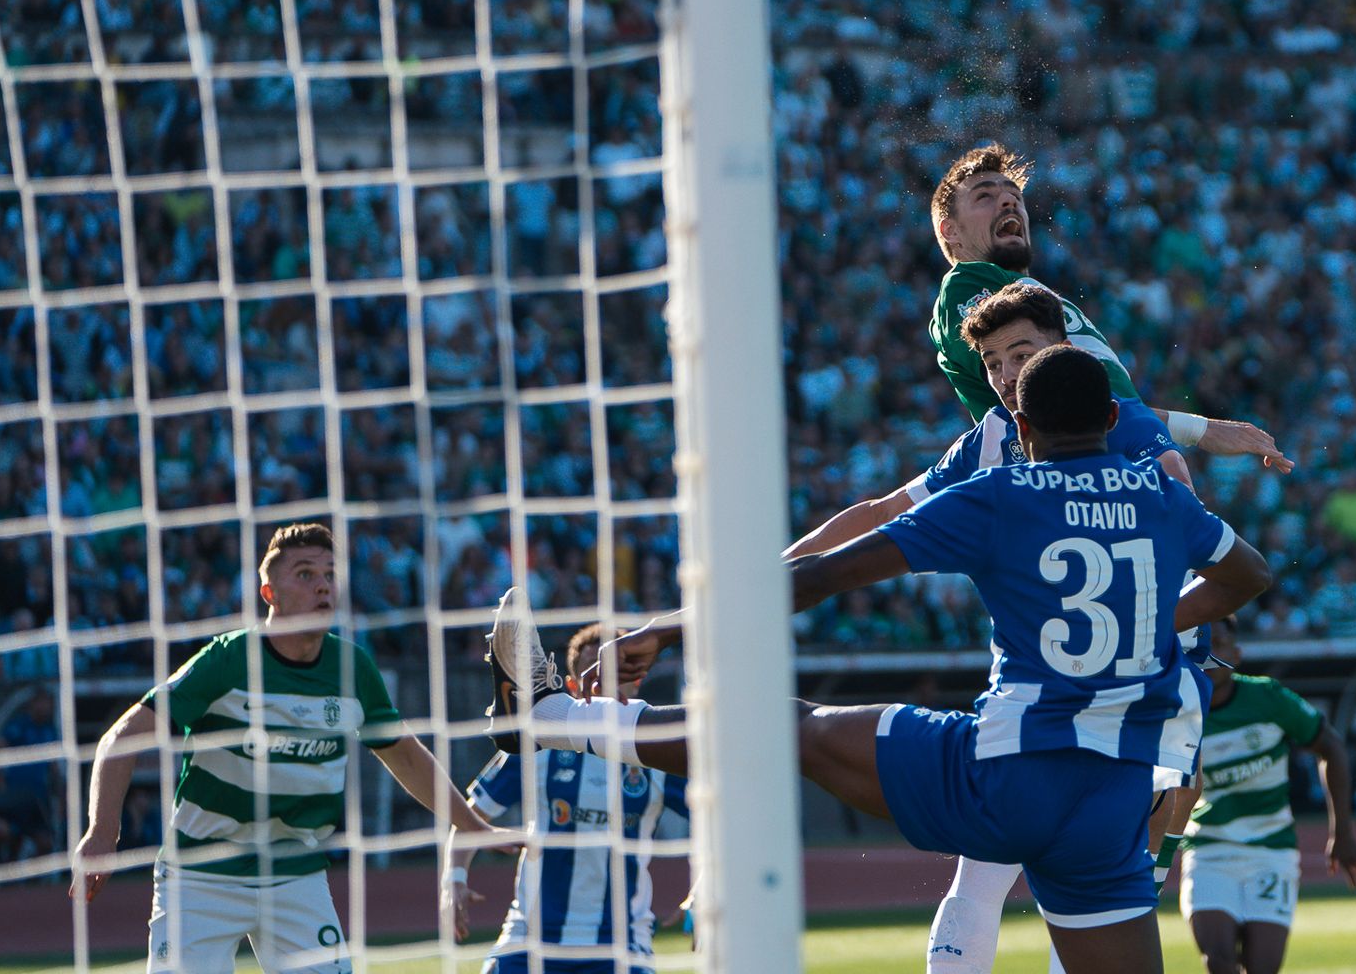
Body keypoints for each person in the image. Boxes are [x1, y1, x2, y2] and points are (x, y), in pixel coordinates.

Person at [492, 346, 1274, 974]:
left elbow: (823, 573)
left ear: (1022, 427)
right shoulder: (1160, 497)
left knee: (783, 730)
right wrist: (1155, 626)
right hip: (1109, 803)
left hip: (1002, 773)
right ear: (1112, 415)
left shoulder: (999, 493)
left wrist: (671, 629)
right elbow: (1249, 574)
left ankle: (556, 716)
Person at [784, 283, 1269, 973]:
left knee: (1111, 871)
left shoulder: (1122, 427)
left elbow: (1181, 507)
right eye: (992, 361)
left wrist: (1158, 621)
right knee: (997, 871)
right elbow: (883, 510)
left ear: (1063, 354)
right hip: (1045, 704)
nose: (1008, 373)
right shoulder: (987, 442)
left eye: (1023, 353)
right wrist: (775, 568)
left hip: (1143, 699)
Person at [70, 523, 498, 973]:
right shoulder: (228, 660)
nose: (323, 586)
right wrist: (103, 831)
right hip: (201, 877)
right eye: (306, 574)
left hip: (296, 875)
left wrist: (470, 825)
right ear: (269, 592)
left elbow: (406, 755)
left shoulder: (352, 667)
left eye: (330, 575)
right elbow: (122, 737)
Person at [924, 143, 1290, 471]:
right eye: (985, 197)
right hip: (1064, 480)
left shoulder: (1031, 294)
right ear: (949, 231)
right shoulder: (965, 286)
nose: (1008, 202)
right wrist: (1199, 429)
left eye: (1015, 195)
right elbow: (1057, 396)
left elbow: (1104, 407)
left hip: (1104, 470)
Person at [445, 623, 689, 974]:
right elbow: (471, 815)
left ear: (635, 680)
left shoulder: (658, 757)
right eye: (592, 678)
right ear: (571, 688)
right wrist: (453, 878)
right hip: (532, 939)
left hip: (620, 943)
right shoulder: (538, 747)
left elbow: (717, 823)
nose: (602, 688)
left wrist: (705, 886)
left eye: (611, 675)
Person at [1180, 615, 1356, 974]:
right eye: (1200, 645)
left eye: (1218, 644)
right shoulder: (1177, 709)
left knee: (1261, 968)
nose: (1209, 653)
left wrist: (1341, 832)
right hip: (1209, 850)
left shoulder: (1267, 697)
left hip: (1271, 851)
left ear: (1236, 653)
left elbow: (1331, 747)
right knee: (1218, 961)